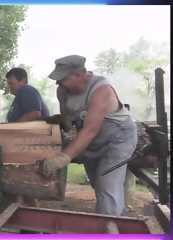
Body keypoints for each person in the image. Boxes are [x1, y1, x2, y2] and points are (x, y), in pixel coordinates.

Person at [39, 55, 137, 216]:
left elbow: (90, 130)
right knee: (99, 185)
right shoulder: (62, 90)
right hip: (92, 142)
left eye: (63, 78)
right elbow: (69, 116)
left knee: (107, 187)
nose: (58, 83)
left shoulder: (101, 90)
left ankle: (110, 229)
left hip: (118, 140)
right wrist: (65, 120)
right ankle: (120, 220)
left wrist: (63, 158)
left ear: (79, 74)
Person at [5, 68, 50, 207]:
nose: (9, 86)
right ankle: (22, 214)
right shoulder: (19, 97)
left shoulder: (27, 90)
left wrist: (11, 130)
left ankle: (34, 223)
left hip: (30, 144)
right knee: (20, 184)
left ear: (23, 81)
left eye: (11, 83)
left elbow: (34, 114)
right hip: (22, 144)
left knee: (27, 183)